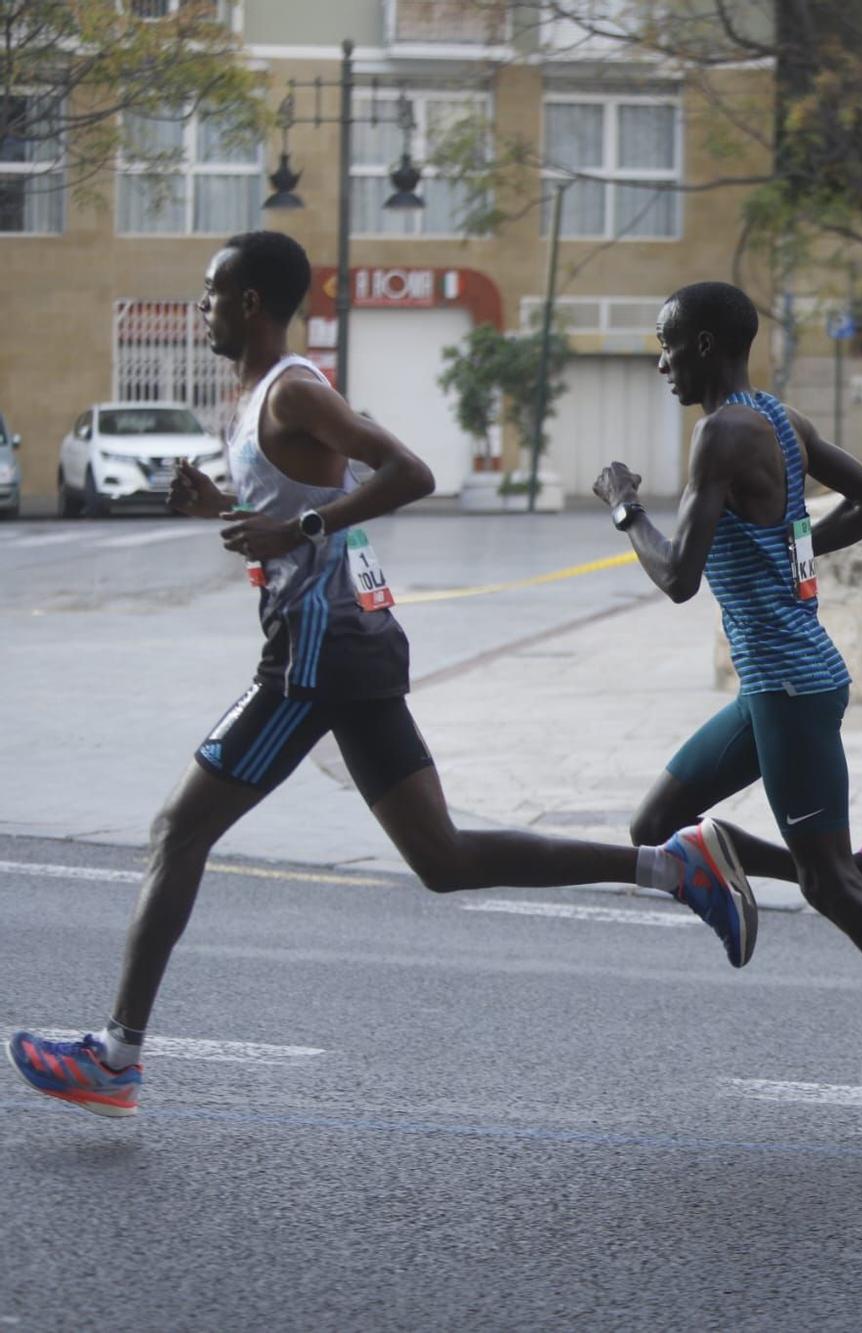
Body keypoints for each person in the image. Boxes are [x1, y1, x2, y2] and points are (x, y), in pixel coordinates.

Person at [6, 232, 753, 1119]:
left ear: (250, 302)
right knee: (441, 857)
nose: (200, 305)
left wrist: (307, 531)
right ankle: (675, 868)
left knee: (178, 826)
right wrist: (230, 509)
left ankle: (116, 1055)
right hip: (348, 639)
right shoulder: (255, 397)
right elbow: (298, 504)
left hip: (318, 649)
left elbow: (408, 471)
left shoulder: (294, 388)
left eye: (211, 292)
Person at [598, 281, 862, 1119]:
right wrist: (787, 551)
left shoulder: (722, 432)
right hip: (780, 680)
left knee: (828, 889)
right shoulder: (780, 420)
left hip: (790, 684)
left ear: (711, 344)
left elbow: (679, 577)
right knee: (655, 828)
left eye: (669, 345)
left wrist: (624, 508)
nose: (660, 363)